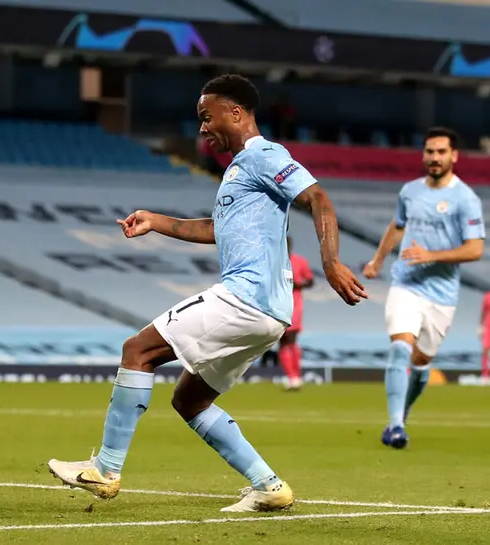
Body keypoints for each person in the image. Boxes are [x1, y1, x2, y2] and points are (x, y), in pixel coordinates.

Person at [47, 74, 367, 512]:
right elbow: (219, 230)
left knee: (136, 351)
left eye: (206, 116)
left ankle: (105, 467)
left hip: (244, 298)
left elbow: (319, 199)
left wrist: (330, 262)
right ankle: (268, 486)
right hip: (269, 314)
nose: (200, 127)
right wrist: (157, 221)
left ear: (235, 112)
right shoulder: (238, 170)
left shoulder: (265, 155)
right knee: (189, 399)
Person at [363, 127, 485, 448]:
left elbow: (474, 249)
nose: (434, 157)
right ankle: (394, 426)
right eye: (429, 151)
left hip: (442, 295)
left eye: (441, 152)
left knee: (420, 362)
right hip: (405, 284)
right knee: (400, 347)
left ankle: (402, 415)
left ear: (454, 156)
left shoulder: (465, 199)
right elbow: (398, 225)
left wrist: (431, 255)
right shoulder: (410, 191)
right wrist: (377, 260)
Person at [279, 236, 314, 391]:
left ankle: (295, 377)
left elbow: (311, 281)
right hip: (277, 305)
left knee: (291, 340)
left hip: (294, 305)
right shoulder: (274, 262)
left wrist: (299, 284)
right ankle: (291, 376)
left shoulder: (299, 261)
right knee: (282, 341)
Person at [480, 292, 490, 384]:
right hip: (488, 325)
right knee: (485, 350)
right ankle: (485, 375)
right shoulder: (487, 296)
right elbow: (483, 312)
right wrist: (480, 326)